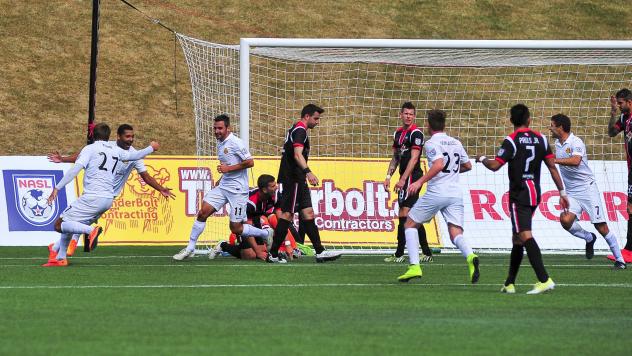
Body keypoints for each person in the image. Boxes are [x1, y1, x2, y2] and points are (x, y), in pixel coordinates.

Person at [476, 104, 569, 294]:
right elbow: (552, 167)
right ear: (529, 119)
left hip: (520, 195)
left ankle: (544, 279)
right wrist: (562, 193)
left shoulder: (511, 140)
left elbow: (495, 165)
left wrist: (482, 158)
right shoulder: (541, 139)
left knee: (525, 235)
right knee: (517, 238)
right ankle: (509, 283)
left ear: (512, 121)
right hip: (535, 193)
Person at [47, 124, 175, 256]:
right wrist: (151, 148)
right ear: (116, 136)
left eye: (132, 137)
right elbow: (137, 155)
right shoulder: (116, 150)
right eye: (128, 136)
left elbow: (144, 172)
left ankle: (85, 234)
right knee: (76, 222)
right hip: (107, 199)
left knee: (63, 223)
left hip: (95, 195)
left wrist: (57, 188)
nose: (131, 139)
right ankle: (59, 252)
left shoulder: (93, 149)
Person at [172, 114, 272, 261]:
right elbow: (229, 165)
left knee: (236, 228)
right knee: (202, 213)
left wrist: (228, 169)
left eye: (220, 128)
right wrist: (221, 178)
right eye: (215, 128)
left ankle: (265, 234)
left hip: (238, 190)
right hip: (224, 186)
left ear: (228, 128)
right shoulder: (220, 142)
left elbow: (250, 162)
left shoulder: (236, 142)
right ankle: (190, 248)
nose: (217, 131)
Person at [397, 110, 478, 283]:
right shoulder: (456, 142)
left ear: (428, 125)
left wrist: (419, 182)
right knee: (455, 231)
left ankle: (414, 267)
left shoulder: (432, 143)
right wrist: (453, 172)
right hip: (455, 193)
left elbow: (439, 164)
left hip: (438, 191)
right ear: (444, 125)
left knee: (410, 223)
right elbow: (468, 165)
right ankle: (470, 255)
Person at [550, 114, 626, 269]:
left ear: (560, 128)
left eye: (552, 125)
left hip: (587, 189)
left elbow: (576, 161)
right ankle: (589, 238)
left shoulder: (576, 142)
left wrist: (555, 160)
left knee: (601, 227)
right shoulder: (558, 143)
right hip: (572, 192)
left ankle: (620, 260)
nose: (550, 128)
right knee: (565, 220)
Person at [268, 104, 341, 263]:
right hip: (293, 178)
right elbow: (297, 155)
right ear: (306, 116)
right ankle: (272, 253)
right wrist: (308, 172)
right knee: (287, 214)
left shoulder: (296, 129)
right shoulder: (300, 130)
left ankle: (320, 252)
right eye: (316, 118)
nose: (318, 122)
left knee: (307, 213)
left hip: (298, 179)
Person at [384, 102, 433, 263]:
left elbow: (414, 159)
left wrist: (403, 179)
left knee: (404, 214)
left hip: (413, 178)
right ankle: (426, 252)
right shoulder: (398, 133)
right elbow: (396, 157)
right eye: (406, 113)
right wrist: (388, 177)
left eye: (411, 114)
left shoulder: (416, 134)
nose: (408, 116)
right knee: (411, 215)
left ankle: (399, 253)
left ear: (414, 116)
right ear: (401, 114)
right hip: (403, 178)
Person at [210, 174, 297, 260]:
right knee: (250, 255)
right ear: (264, 190)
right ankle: (223, 245)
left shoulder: (276, 195)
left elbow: (282, 222)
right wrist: (258, 253)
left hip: (256, 218)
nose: (276, 187)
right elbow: (246, 228)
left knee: (263, 251)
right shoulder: (250, 202)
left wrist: (288, 243)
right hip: (240, 223)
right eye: (273, 186)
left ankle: (256, 242)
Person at [607, 88, 632, 263]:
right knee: (630, 208)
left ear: (629, 102)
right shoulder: (624, 118)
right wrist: (613, 112)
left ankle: (629, 250)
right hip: (631, 169)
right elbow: (611, 132)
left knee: (630, 208)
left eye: (620, 103)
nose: (619, 105)